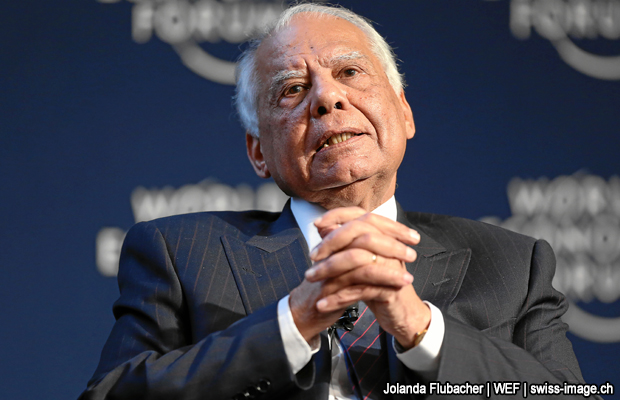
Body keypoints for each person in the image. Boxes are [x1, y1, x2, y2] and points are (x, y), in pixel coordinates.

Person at [80, 4, 589, 400]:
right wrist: (296, 319)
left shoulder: (512, 264)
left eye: (349, 72)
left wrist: (422, 329)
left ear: (404, 113)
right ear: (258, 153)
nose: (327, 98)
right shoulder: (181, 253)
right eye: (292, 89)